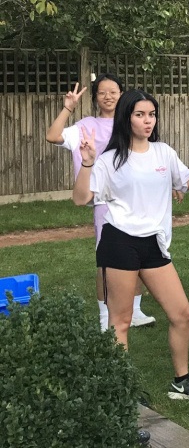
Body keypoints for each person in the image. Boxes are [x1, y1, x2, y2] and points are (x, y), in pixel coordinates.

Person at [72, 89, 189, 401]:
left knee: (182, 313)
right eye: (140, 114)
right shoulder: (109, 159)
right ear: (127, 118)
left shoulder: (163, 152)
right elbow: (81, 198)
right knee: (120, 321)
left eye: (151, 114)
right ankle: (121, 390)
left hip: (154, 243)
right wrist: (86, 164)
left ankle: (181, 382)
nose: (148, 120)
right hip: (119, 241)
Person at [46, 75, 155, 330]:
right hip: (104, 201)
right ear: (95, 97)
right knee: (107, 260)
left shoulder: (131, 123)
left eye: (113, 91)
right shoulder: (86, 125)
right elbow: (52, 136)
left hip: (136, 197)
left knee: (139, 253)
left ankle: (135, 311)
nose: (108, 96)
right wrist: (68, 107)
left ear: (121, 94)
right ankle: (106, 317)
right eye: (102, 92)